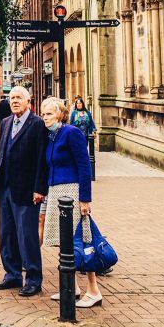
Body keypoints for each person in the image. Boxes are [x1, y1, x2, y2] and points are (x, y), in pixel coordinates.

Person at [40, 97, 101, 308]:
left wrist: (85, 199)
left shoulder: (71, 132)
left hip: (72, 191)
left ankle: (93, 290)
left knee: (81, 240)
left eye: (49, 113)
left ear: (60, 114)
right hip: (55, 191)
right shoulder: (51, 136)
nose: (45, 117)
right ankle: (71, 286)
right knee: (63, 241)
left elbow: (84, 165)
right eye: (43, 114)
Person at [0, 86, 49, 297]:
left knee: (27, 236)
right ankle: (12, 274)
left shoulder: (37, 124)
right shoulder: (6, 122)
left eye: (18, 98)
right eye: (12, 98)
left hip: (26, 190)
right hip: (5, 188)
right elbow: (1, 153)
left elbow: (42, 159)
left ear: (28, 102)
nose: (14, 101)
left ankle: (33, 279)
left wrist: (39, 188)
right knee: (7, 234)